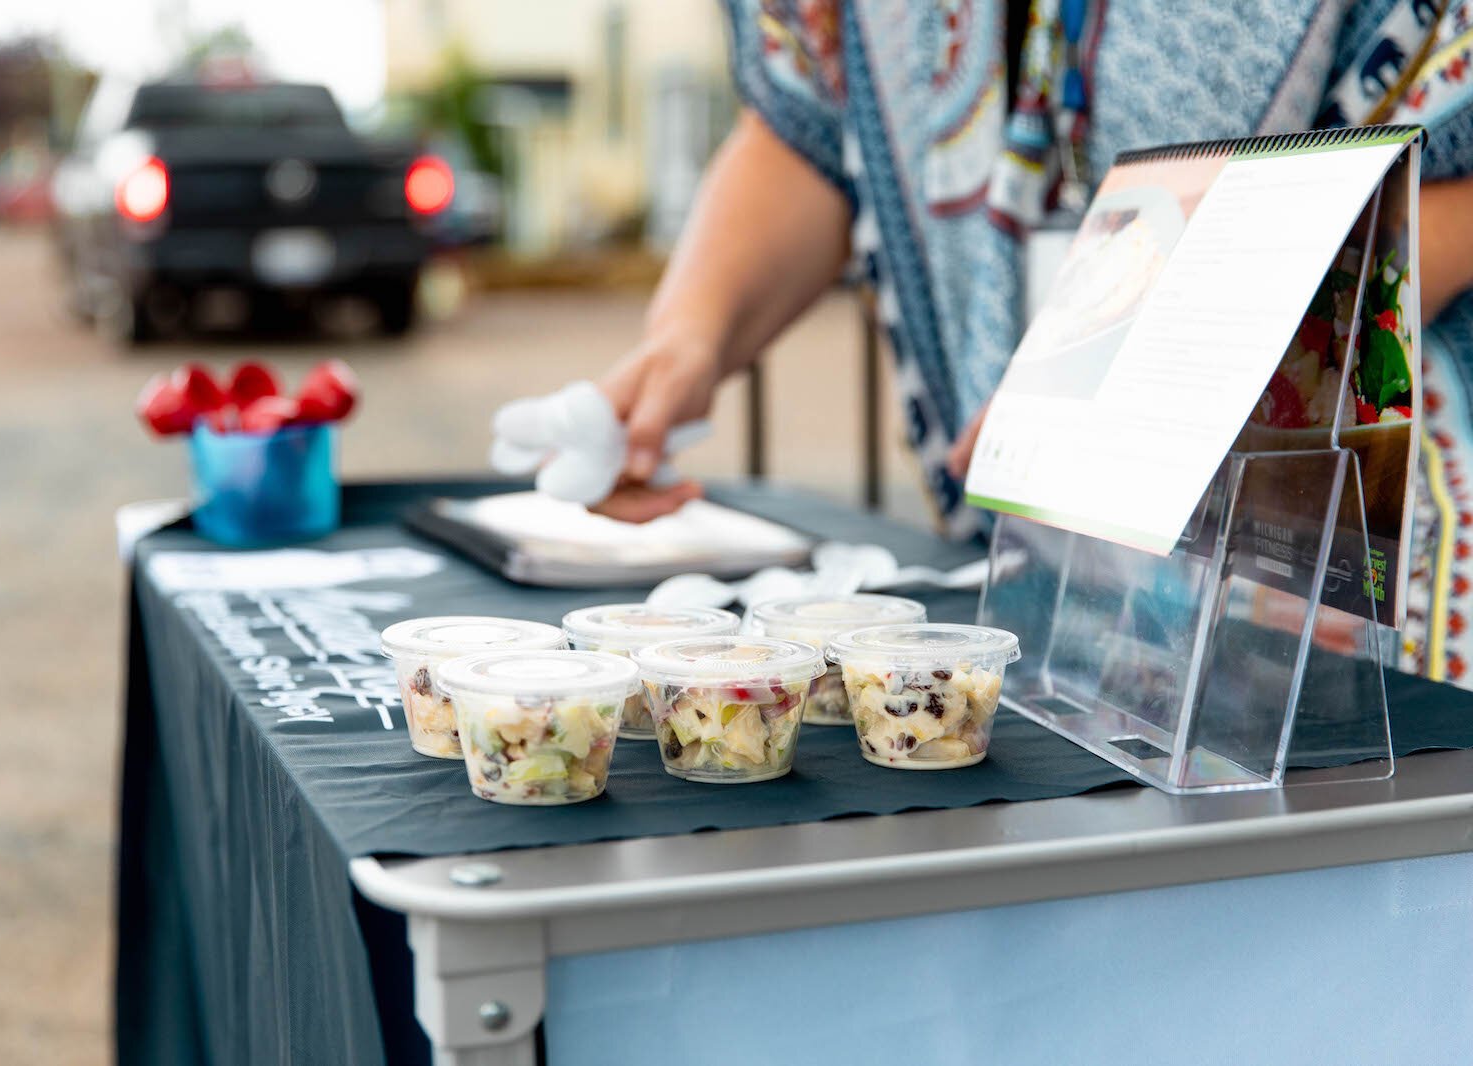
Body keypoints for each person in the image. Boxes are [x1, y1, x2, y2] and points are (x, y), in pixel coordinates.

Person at [593, 0, 1473, 682]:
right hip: (1055, 600)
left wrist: (1201, 317)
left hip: (1390, 577)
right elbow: (816, 109)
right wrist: (689, 336)